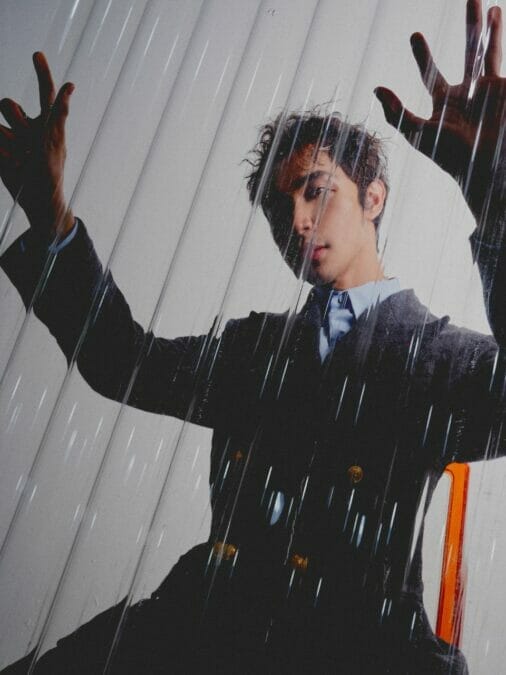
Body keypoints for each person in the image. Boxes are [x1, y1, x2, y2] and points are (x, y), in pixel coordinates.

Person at [0, 0, 504, 672]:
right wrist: (49, 215)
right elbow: (121, 360)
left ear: (373, 197)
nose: (296, 220)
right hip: (204, 632)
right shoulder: (252, 349)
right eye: (278, 205)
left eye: (316, 191)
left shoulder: (433, 357)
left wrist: (494, 195)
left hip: (362, 653)